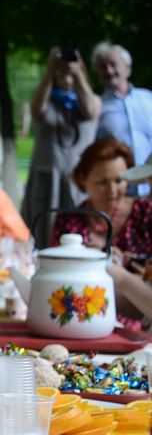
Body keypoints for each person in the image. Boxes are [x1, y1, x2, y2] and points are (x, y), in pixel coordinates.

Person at [50, 137, 152, 329]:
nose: (112, 190)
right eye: (102, 182)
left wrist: (113, 271)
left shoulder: (145, 213)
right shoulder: (69, 219)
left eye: (119, 181)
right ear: (82, 179)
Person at [22, 45, 102, 243]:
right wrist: (50, 71)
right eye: (61, 74)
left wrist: (78, 74)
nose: (66, 78)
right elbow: (36, 110)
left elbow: (91, 111)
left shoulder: (91, 101)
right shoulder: (45, 102)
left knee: (78, 236)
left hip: (79, 183)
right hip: (49, 182)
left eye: (70, 75)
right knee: (43, 235)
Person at [92, 42, 152, 196]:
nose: (109, 71)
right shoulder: (97, 107)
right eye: (102, 67)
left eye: (113, 64)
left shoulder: (148, 99)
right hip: (118, 193)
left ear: (127, 66)